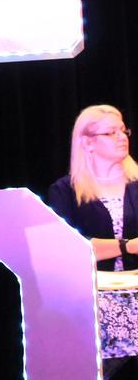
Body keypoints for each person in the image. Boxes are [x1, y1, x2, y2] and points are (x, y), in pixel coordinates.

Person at [48, 104, 138, 375]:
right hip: (93, 302)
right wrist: (126, 246)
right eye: (111, 133)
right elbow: (67, 248)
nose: (121, 137)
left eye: (123, 131)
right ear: (87, 143)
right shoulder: (65, 191)